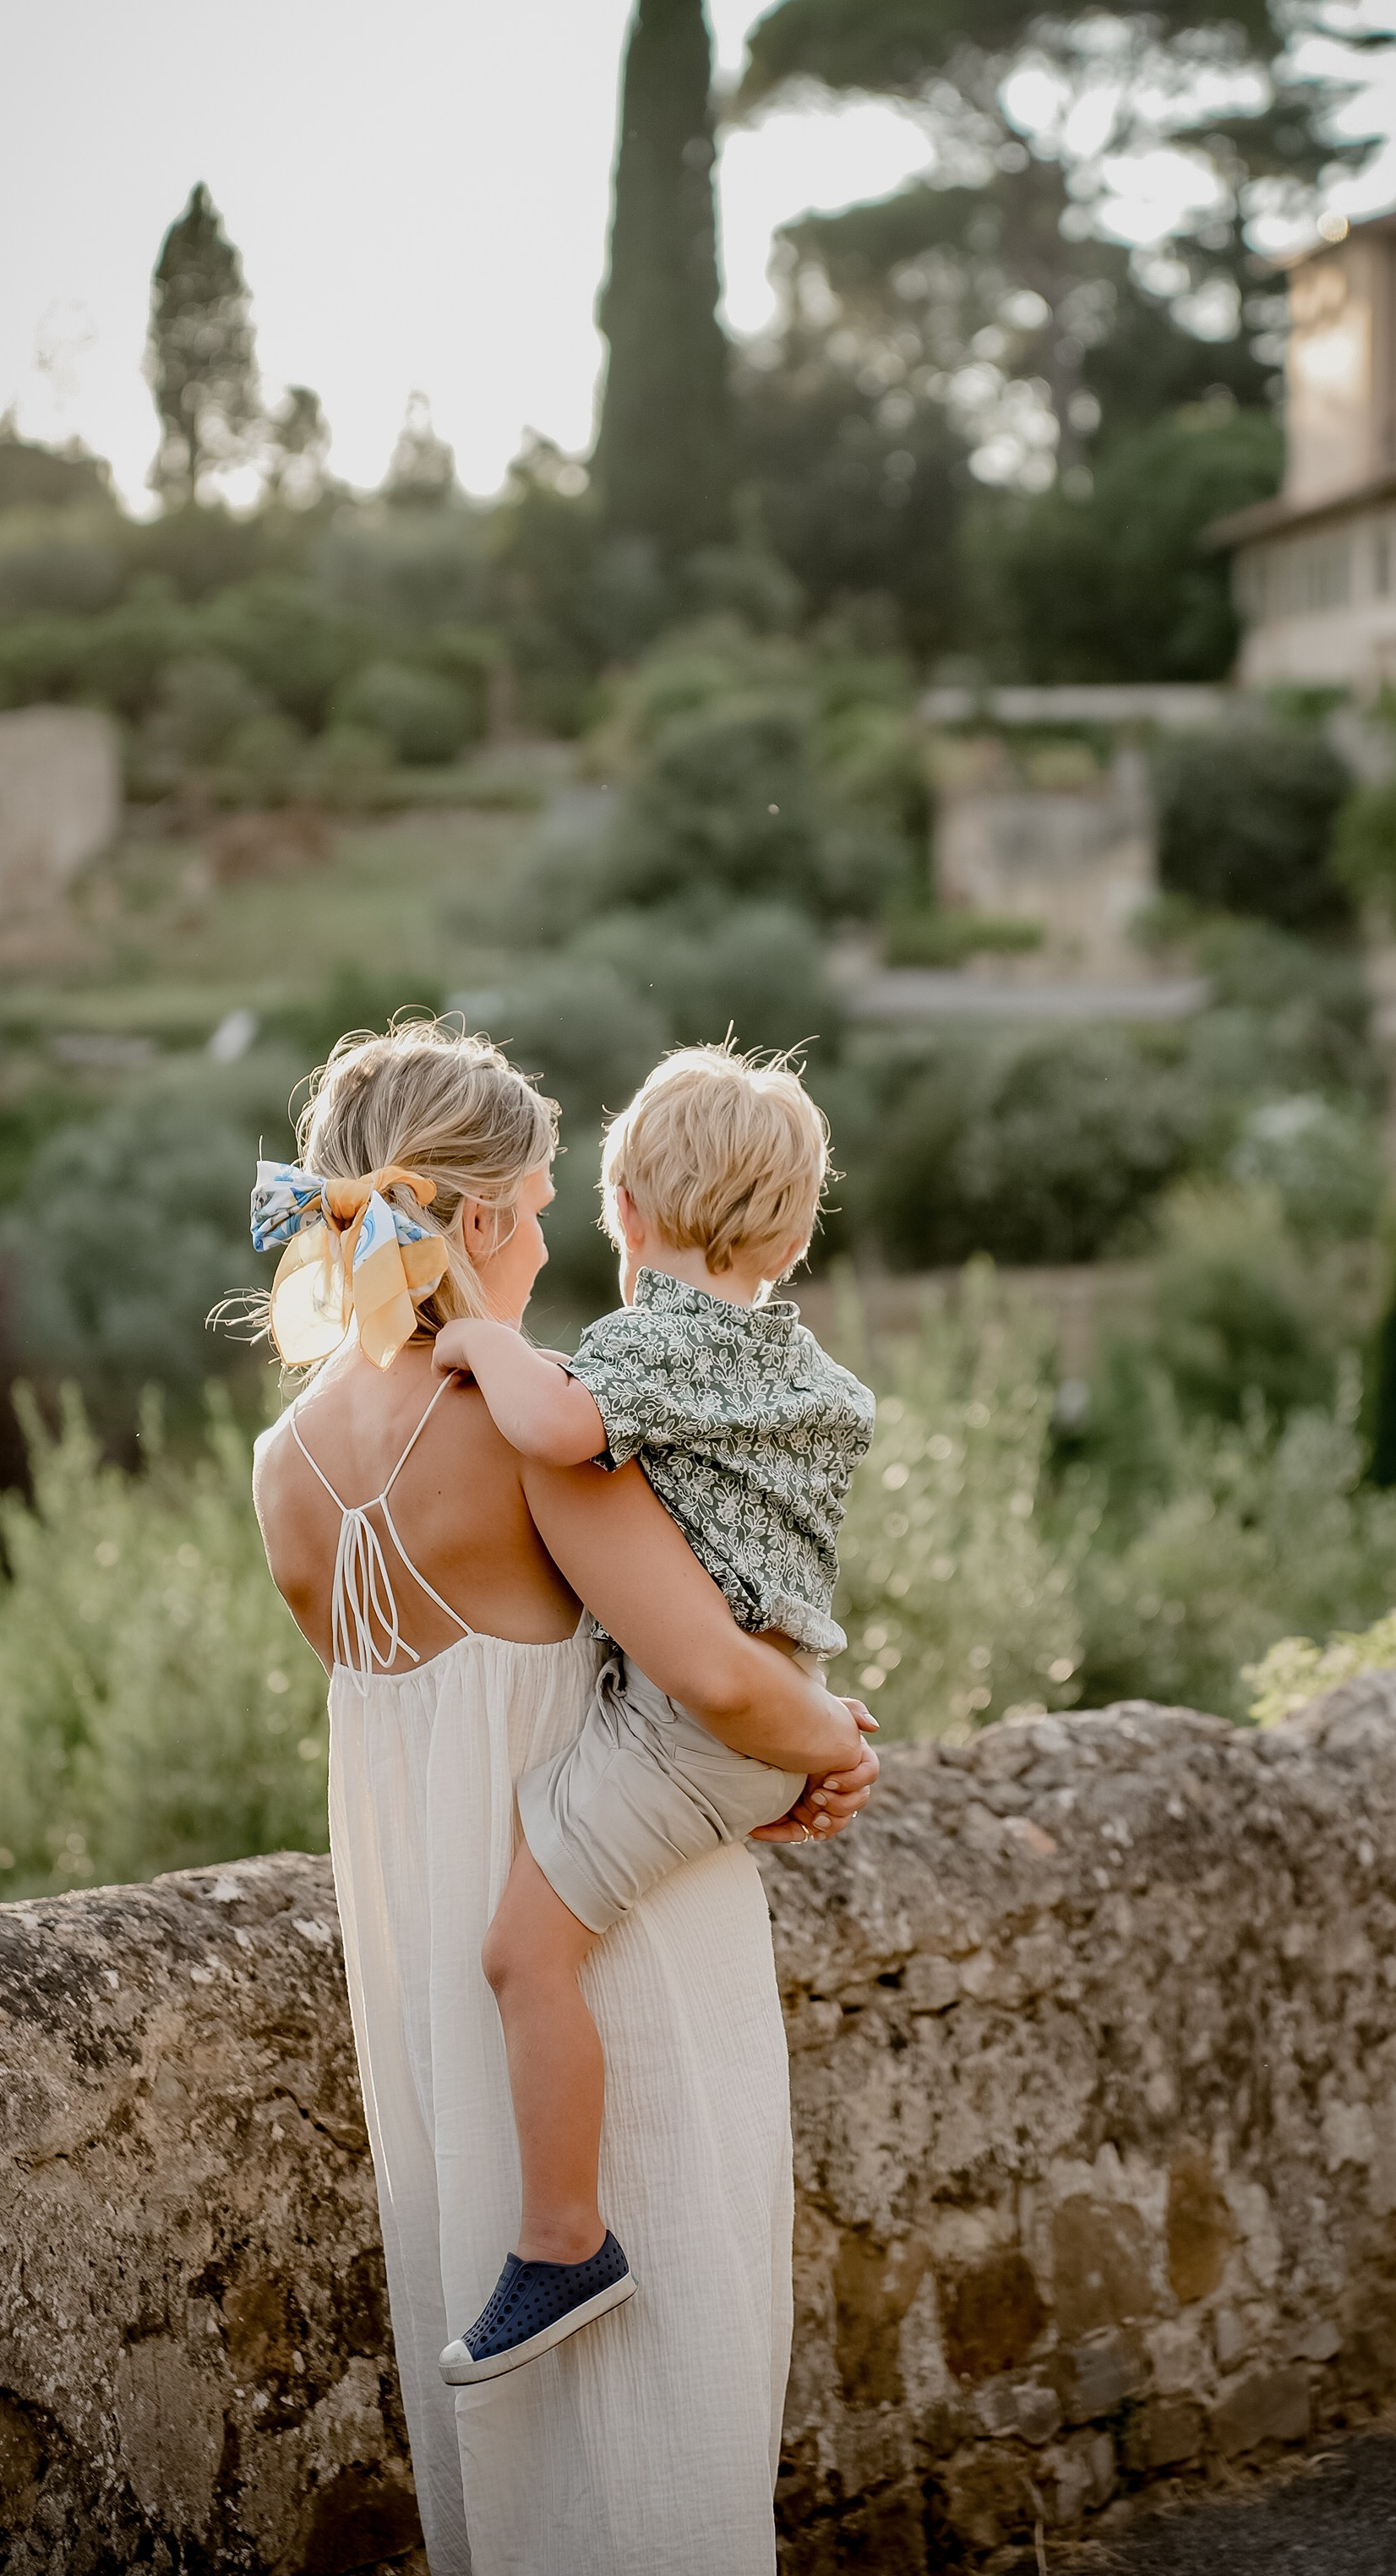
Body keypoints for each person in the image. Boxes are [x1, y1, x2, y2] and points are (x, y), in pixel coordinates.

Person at [248, 1018, 876, 2576]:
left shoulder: (281, 1467)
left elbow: (412, 1735)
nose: (548, 1238)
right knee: (671, 2385)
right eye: (531, 1204)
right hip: (619, 1950)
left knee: (512, 2439)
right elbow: (713, 1679)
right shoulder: (533, 1432)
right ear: (471, 1223)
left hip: (434, 1988)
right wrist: (836, 1743)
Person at [428, 1044, 875, 2383]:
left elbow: (561, 1433)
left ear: (620, 1211)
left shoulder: (642, 1349)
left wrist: (481, 1341)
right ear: (792, 1231)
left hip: (696, 1723)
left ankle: (565, 2238)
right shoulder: (791, 1368)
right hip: (767, 1681)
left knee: (522, 1954)